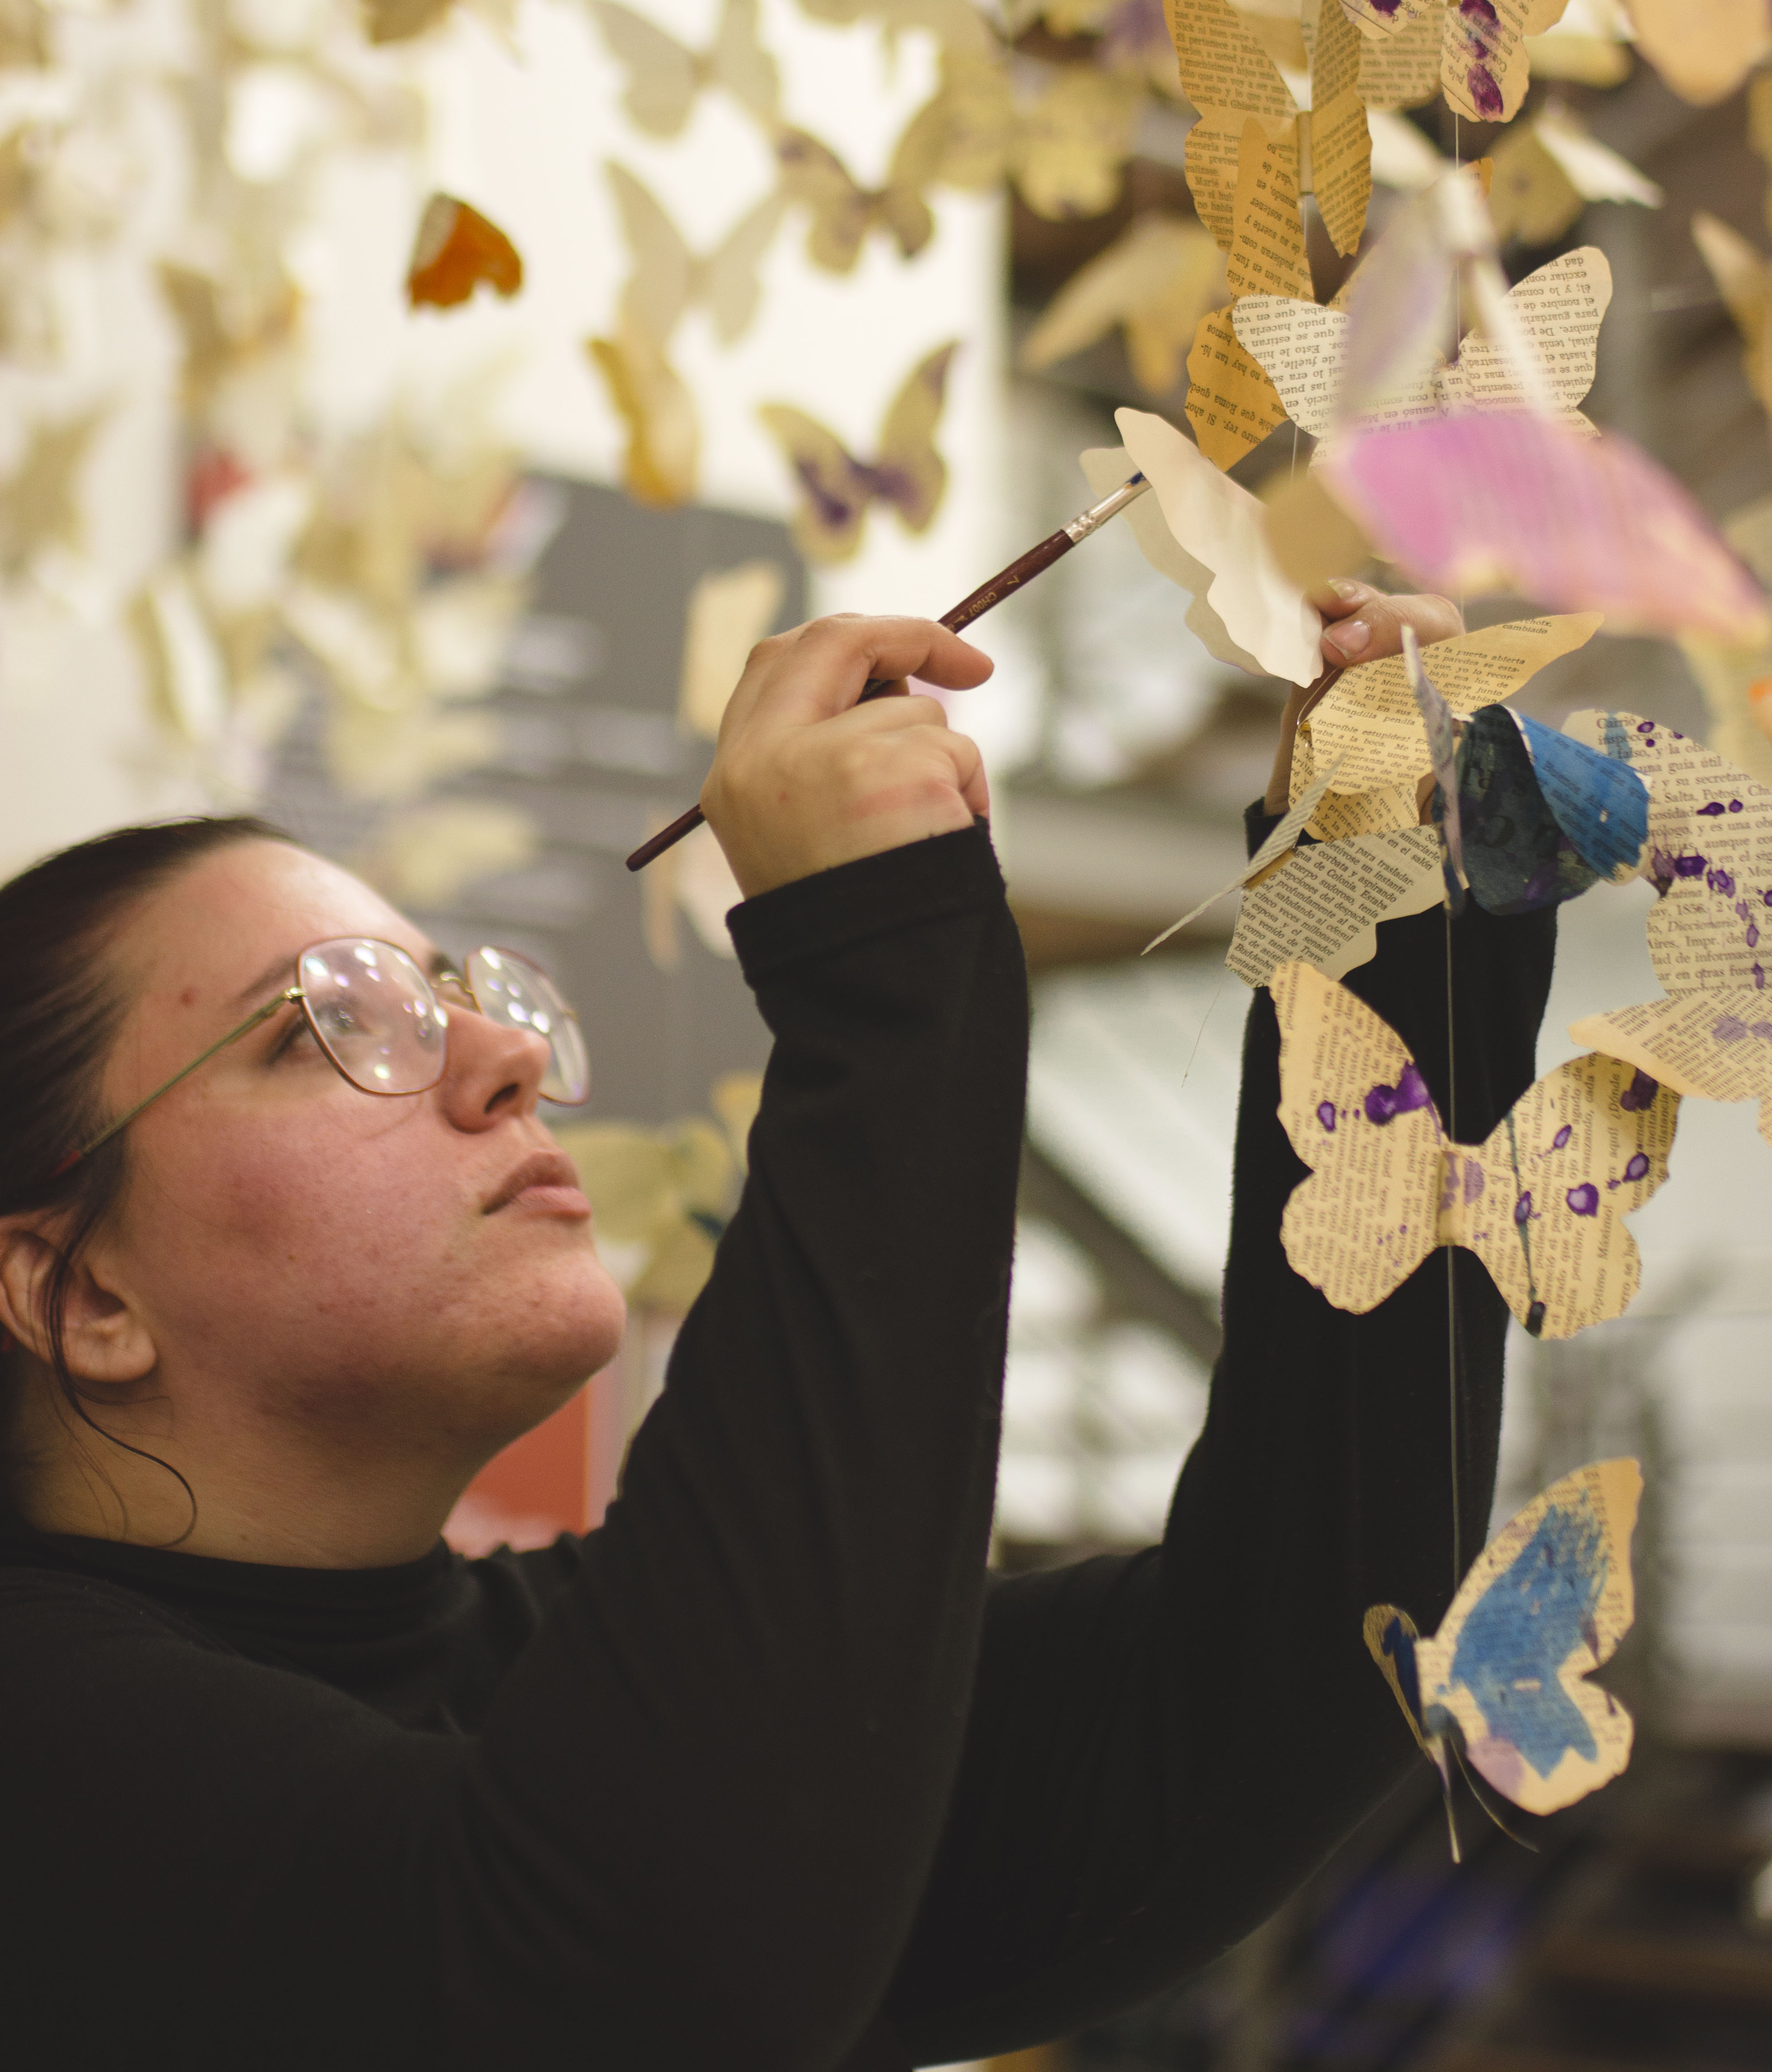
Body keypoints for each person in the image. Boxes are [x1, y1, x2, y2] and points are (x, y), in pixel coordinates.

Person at [0, 585, 1555, 2071]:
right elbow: (646, 1999)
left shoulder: (554, 1674)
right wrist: (885, 970)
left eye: (460, 990)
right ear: (81, 1294)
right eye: (326, 1024)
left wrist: (1389, 906)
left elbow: (1311, 1636)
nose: (501, 1056)